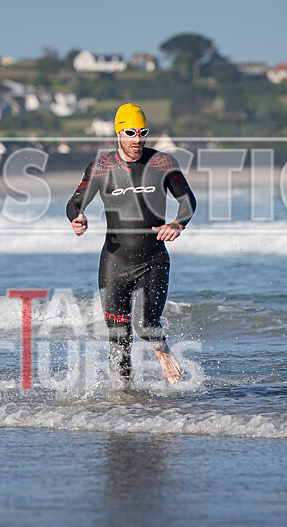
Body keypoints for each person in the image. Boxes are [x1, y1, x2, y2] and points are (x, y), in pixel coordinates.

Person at [66, 103, 196, 384]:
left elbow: (188, 201)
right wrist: (77, 217)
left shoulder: (162, 164)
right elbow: (75, 202)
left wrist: (177, 224)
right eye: (130, 133)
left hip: (153, 260)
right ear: (118, 133)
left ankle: (161, 350)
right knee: (118, 341)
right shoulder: (101, 168)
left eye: (142, 133)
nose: (137, 139)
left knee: (145, 326)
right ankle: (125, 400)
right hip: (114, 263)